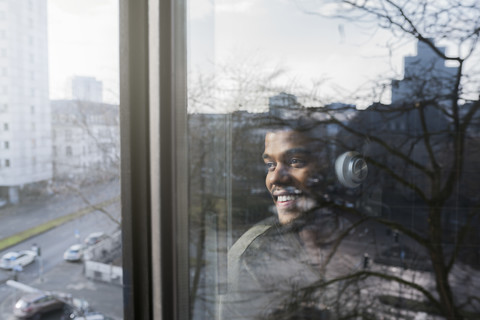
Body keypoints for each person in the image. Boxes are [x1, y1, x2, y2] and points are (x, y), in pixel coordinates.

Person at [220, 119, 368, 319]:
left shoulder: (355, 236)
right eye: (270, 165)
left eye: (295, 161)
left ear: (328, 168)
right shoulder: (253, 256)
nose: (275, 178)